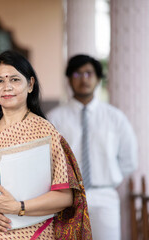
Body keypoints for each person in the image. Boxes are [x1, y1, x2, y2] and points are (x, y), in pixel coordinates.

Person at [0, 50, 92, 239]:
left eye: (15, 79)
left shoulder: (45, 131)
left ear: (30, 84)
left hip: (33, 233)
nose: (7, 87)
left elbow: (65, 196)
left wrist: (19, 207)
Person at [47, 54, 138, 240]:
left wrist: (109, 178)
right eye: (77, 74)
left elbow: (129, 159)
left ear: (98, 79)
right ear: (69, 80)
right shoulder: (54, 119)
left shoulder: (115, 118)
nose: (84, 79)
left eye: (89, 74)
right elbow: (46, 160)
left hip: (105, 196)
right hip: (67, 198)